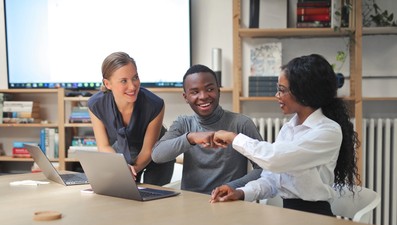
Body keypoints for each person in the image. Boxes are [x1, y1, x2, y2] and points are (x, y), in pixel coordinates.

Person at [210, 54, 360, 216]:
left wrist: (234, 138)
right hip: (289, 215)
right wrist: (241, 192)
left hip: (316, 218)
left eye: (282, 90)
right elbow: (272, 179)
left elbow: (274, 159)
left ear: (303, 92)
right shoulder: (289, 128)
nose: (277, 95)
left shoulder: (328, 131)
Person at [151, 64, 263, 194]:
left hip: (229, 203)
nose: (203, 96)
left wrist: (232, 187)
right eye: (195, 92)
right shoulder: (183, 124)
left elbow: (263, 168)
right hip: (192, 204)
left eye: (209, 89)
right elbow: (157, 155)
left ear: (218, 90)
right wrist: (190, 138)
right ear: (185, 97)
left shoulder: (241, 124)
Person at [87, 51, 174, 185]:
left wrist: (130, 171)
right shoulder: (96, 105)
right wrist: (122, 168)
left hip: (157, 154)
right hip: (122, 154)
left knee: (154, 196)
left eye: (135, 77)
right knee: (124, 195)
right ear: (107, 83)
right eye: (123, 81)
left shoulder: (155, 105)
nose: (132, 86)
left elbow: (148, 151)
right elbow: (103, 146)